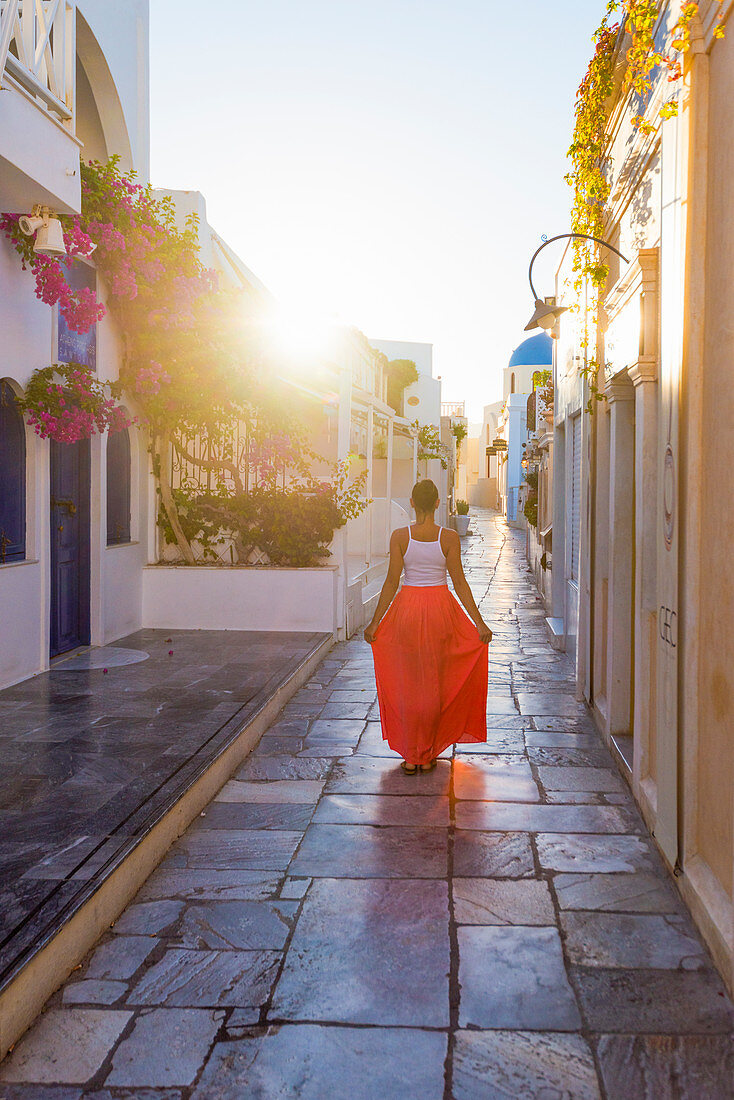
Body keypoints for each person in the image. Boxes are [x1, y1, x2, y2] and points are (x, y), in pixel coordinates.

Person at [364, 478, 492, 773]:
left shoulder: (399, 536)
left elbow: (391, 582)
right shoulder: (448, 538)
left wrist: (375, 624)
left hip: (406, 611)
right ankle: (429, 751)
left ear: (411, 502)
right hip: (440, 611)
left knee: (409, 682)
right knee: (437, 681)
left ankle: (412, 755)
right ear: (437, 503)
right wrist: (479, 623)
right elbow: (459, 583)